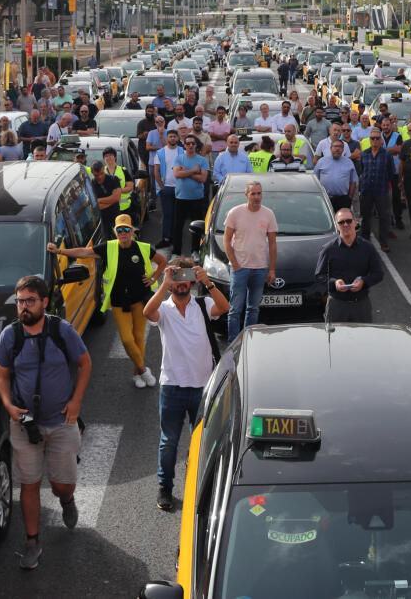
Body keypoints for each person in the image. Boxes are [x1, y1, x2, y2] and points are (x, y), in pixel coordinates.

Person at [0, 275, 92, 569]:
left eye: (30, 301)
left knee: (62, 484)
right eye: (20, 301)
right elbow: (1, 374)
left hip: (62, 421)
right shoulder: (9, 335)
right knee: (29, 484)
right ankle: (32, 542)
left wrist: (75, 402)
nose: (24, 306)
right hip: (25, 424)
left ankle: (66, 500)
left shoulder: (62, 330)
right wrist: (9, 405)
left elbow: (85, 363)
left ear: (44, 302)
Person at [144, 259, 230, 512]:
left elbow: (225, 307)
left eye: (186, 278)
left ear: (192, 280)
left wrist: (208, 282)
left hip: (203, 386)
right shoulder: (165, 309)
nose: (181, 283)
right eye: (176, 278)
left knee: (202, 440)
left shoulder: (203, 304)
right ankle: (166, 488)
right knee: (169, 441)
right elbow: (148, 313)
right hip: (172, 387)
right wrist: (164, 284)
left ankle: (199, 487)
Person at [50, 215, 165, 388]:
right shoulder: (108, 248)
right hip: (119, 302)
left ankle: (136, 374)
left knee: (139, 337)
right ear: (115, 232)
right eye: (120, 230)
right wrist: (59, 252)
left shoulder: (144, 248)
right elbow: (84, 252)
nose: (123, 233)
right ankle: (143, 369)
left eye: (127, 229)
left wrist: (154, 278)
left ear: (132, 231)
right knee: (127, 339)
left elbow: (162, 262)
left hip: (140, 300)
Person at [223, 181, 278, 341]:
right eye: (253, 193)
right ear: (246, 195)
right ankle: (233, 343)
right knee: (235, 309)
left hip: (260, 268)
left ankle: (249, 341)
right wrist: (234, 264)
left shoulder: (268, 214)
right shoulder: (235, 213)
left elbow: (273, 244)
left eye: (259, 193)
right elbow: (226, 241)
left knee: (253, 309)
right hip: (240, 268)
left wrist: (272, 269)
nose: (257, 197)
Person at [315, 208, 385, 323]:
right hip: (337, 305)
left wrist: (364, 281)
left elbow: (378, 274)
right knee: (335, 340)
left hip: (361, 305)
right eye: (341, 222)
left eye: (348, 221)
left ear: (355, 222)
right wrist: (334, 282)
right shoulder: (328, 249)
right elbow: (319, 276)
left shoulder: (367, 248)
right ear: (336, 225)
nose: (345, 224)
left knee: (362, 339)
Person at [170, 136, 209, 255]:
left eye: (193, 143)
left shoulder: (202, 160)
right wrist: (193, 170)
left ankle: (195, 251)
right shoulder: (178, 159)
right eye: (188, 143)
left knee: (197, 227)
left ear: (196, 145)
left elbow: (203, 178)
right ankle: (176, 252)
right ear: (185, 145)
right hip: (181, 198)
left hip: (197, 198)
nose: (191, 145)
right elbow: (177, 174)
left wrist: (186, 171)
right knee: (177, 226)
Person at [358, 129, 395, 251]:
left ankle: (384, 242)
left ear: (381, 140)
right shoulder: (364, 154)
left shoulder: (387, 154)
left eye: (377, 138)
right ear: (369, 140)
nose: (375, 140)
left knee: (384, 217)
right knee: (366, 216)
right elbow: (362, 170)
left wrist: (384, 181)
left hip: (381, 190)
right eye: (372, 138)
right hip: (366, 191)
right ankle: (365, 240)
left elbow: (391, 172)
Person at [153, 129, 182, 249]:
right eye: (170, 137)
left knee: (178, 215)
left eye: (174, 136)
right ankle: (166, 238)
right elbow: (156, 171)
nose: (172, 139)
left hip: (180, 188)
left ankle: (176, 239)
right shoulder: (160, 152)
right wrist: (161, 186)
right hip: (166, 188)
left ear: (178, 138)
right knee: (167, 214)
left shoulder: (182, 151)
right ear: (167, 138)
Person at [315, 139, 358, 212]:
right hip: (325, 199)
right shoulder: (321, 161)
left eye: (340, 147)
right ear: (330, 148)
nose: (337, 149)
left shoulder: (348, 162)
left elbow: (353, 181)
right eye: (335, 146)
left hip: (343, 199)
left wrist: (349, 197)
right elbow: (315, 180)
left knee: (342, 222)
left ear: (343, 149)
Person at [88, 160, 124, 234]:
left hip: (116, 218)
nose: (100, 177)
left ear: (104, 169)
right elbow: (96, 207)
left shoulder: (114, 179)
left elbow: (117, 198)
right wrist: (112, 200)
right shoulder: (91, 184)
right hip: (102, 222)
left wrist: (98, 200)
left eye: (101, 173)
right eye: (96, 175)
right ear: (92, 173)